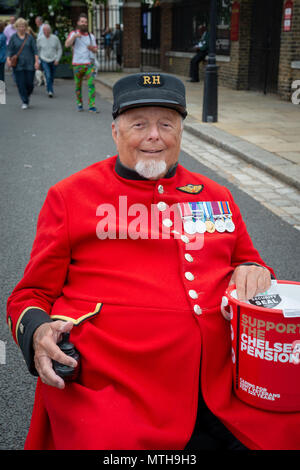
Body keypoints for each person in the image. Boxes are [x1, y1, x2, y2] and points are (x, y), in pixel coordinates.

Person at [6, 73, 299, 451]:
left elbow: (250, 263)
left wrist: (254, 271)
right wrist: (38, 334)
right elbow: (29, 294)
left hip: (222, 382)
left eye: (166, 124)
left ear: (180, 131)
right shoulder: (70, 196)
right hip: (115, 386)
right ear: (115, 131)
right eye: (139, 124)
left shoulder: (215, 195)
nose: (154, 136)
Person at [65, 13, 98, 113]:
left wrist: (92, 49)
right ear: (78, 23)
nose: (84, 24)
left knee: (91, 84)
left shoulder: (90, 36)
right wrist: (74, 37)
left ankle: (92, 105)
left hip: (89, 64)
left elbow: (96, 50)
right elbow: (67, 45)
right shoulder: (73, 33)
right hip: (77, 64)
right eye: (82, 22)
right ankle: (79, 103)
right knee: (78, 85)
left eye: (85, 22)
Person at [6, 18, 39, 109]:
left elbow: (35, 50)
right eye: (20, 26)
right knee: (21, 83)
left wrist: (36, 62)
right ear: (16, 27)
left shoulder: (30, 37)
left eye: (23, 26)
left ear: (26, 27)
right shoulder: (13, 37)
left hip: (29, 64)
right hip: (18, 65)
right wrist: (8, 60)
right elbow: (9, 50)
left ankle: (27, 95)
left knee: (30, 84)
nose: (22, 28)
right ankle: (25, 101)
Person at [37, 24, 62, 97]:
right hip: (44, 59)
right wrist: (38, 60)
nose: (46, 32)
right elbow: (37, 50)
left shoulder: (55, 38)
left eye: (47, 30)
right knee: (48, 75)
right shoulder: (40, 39)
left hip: (53, 59)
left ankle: (49, 87)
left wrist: (57, 59)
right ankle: (50, 91)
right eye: (44, 30)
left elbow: (59, 49)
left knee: (51, 76)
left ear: (50, 30)